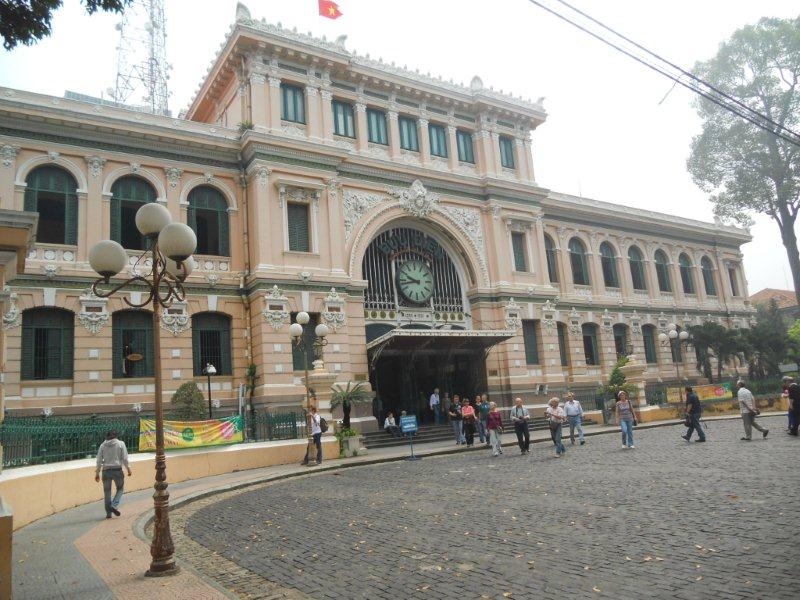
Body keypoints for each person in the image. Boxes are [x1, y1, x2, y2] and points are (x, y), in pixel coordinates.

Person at [94, 430, 131, 519]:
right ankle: (114, 505)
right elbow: (125, 458)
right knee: (120, 489)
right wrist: (128, 469)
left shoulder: (102, 445)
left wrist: (97, 473)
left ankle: (108, 514)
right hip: (117, 470)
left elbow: (99, 460)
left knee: (107, 492)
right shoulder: (121, 444)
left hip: (106, 471)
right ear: (116, 436)